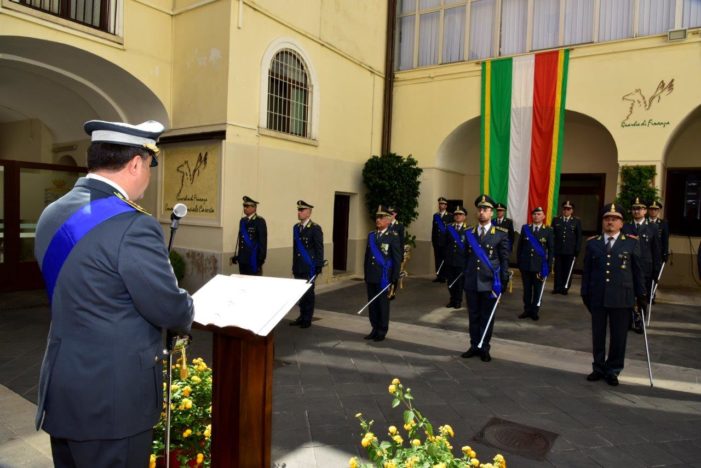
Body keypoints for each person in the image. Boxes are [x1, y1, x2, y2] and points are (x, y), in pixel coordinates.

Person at [33, 119, 195, 467]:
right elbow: (167, 307)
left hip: (65, 390)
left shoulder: (52, 213)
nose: (148, 177)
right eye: (149, 166)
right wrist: (189, 306)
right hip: (113, 402)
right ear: (136, 163)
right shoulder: (133, 225)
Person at [581, 203, 645, 386]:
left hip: (622, 297)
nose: (610, 221)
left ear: (621, 223)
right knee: (598, 334)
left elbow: (638, 271)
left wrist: (641, 295)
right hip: (598, 296)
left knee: (619, 337)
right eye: (607, 218)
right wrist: (585, 292)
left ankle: (613, 369)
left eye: (615, 219)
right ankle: (598, 367)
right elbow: (587, 271)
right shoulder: (593, 243)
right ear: (602, 221)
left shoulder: (631, 242)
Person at [461, 195, 510, 362]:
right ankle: (474, 345)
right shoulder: (469, 233)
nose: (482, 212)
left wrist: (503, 282)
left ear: (492, 213)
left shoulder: (500, 234)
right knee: (473, 315)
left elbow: (504, 260)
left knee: (487, 316)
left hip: (490, 283)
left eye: (486, 210)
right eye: (480, 209)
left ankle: (484, 347)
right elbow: (465, 259)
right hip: (472, 282)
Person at [622, 197, 661, 333]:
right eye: (634, 208)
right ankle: (628, 321)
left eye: (639, 209)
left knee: (642, 297)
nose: (636, 211)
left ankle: (640, 322)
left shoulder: (652, 228)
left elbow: (656, 250)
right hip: (628, 267)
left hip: (645, 268)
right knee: (628, 296)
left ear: (645, 211)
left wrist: (656, 270)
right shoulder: (626, 226)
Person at [363, 206, 402, 342]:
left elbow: (397, 259)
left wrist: (394, 279)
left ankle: (382, 330)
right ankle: (374, 328)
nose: (378, 220)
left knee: (382, 304)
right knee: (372, 304)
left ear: (388, 220)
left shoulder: (393, 236)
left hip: (384, 277)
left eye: (381, 218)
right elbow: (367, 257)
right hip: (372, 275)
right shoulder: (372, 235)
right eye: (377, 217)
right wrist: (366, 275)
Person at [291, 200, 324, 328]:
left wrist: (318, 265)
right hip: (298, 266)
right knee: (300, 293)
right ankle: (301, 315)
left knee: (308, 293)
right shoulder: (296, 227)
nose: (299, 212)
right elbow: (295, 249)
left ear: (309, 212)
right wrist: (294, 265)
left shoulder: (315, 228)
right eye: (298, 210)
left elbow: (319, 248)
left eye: (302, 210)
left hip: (309, 267)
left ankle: (307, 318)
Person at [516, 207, 554, 321]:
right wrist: (520, 263)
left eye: (539, 214)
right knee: (527, 289)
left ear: (543, 216)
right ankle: (527, 310)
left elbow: (551, 250)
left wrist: (549, 266)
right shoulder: (525, 228)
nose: (536, 216)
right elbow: (520, 247)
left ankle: (535, 311)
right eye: (534, 214)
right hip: (526, 265)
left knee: (537, 290)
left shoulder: (548, 230)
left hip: (539, 266)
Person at [551, 200, 582, 295]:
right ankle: (557, 287)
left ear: (572, 211)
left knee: (568, 269)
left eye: (568, 209)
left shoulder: (576, 221)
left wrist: (577, 250)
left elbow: (579, 237)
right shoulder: (556, 220)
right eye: (564, 209)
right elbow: (552, 235)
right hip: (558, 249)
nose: (566, 211)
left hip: (570, 250)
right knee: (558, 269)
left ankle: (565, 288)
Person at [233, 195, 267, 275]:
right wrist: (238, 256)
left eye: (247, 206)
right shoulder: (242, 221)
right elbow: (241, 241)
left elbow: (263, 242)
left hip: (253, 260)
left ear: (254, 208)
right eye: (244, 206)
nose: (245, 208)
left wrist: (260, 260)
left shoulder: (259, 221)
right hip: (242, 261)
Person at [443, 205, 468, 309]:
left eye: (460, 214)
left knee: (459, 282)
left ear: (464, 217)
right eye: (456, 214)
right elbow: (445, 243)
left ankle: (458, 300)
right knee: (450, 281)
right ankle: (452, 299)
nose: (458, 216)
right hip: (450, 260)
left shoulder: (468, 230)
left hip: (461, 260)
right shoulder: (449, 228)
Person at [387, 205, 406, 300]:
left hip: (396, 254)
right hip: (386, 254)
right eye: (388, 213)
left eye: (391, 213)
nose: (390, 215)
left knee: (394, 274)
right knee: (387, 273)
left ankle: (392, 292)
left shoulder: (399, 225)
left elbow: (401, 241)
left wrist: (401, 255)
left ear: (395, 214)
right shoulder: (385, 224)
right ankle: (387, 289)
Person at [431, 197, 452, 282]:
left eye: (443, 204)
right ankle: (438, 276)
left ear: (446, 206)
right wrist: (433, 241)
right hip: (437, 242)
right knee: (437, 259)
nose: (441, 205)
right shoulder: (436, 216)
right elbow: (434, 230)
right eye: (440, 204)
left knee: (445, 259)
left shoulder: (450, 216)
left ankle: (444, 276)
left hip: (445, 242)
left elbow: (451, 230)